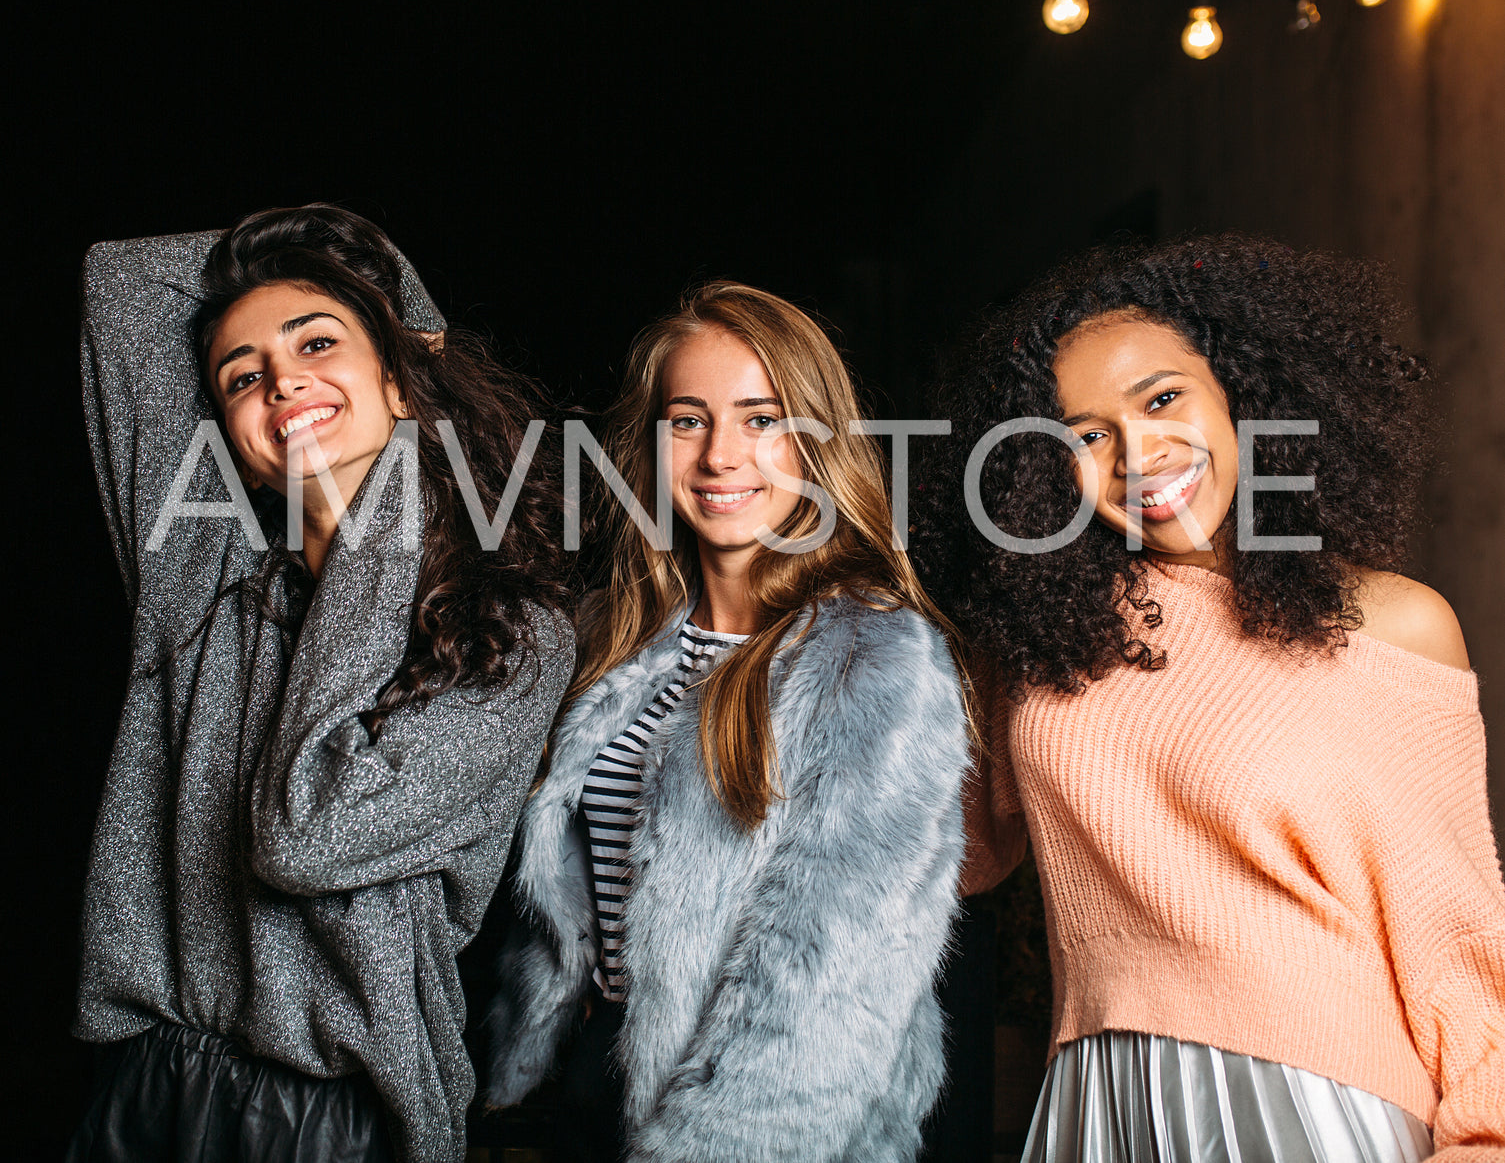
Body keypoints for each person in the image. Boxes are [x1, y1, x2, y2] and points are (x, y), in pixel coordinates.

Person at [911, 234, 1505, 1162]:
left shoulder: (1392, 624)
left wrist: (1488, 1135)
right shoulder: (1039, 638)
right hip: (1095, 1103)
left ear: (1241, 395)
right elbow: (940, 854)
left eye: (1161, 398)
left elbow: (1452, 926)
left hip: (1314, 1104)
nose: (1136, 453)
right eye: (1086, 435)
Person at [69, 205, 576, 1163]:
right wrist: (382, 297)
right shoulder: (202, 582)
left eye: (318, 341)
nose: (282, 379)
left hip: (327, 1113)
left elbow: (307, 835)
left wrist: (377, 508)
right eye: (242, 376)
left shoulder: (506, 636)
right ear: (228, 438)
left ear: (399, 375)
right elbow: (120, 284)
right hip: (147, 1085)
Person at [485, 281, 970, 1163]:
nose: (719, 455)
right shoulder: (611, 641)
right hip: (580, 1102)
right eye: (686, 419)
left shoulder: (874, 658)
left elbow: (826, 982)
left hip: (753, 1130)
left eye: (761, 418)